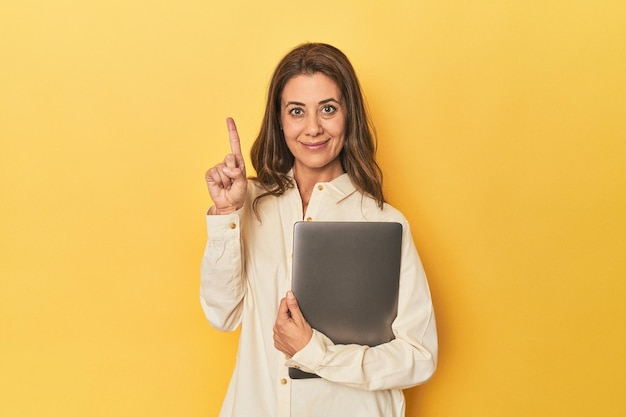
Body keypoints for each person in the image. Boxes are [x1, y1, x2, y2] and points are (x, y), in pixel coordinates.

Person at [200, 42, 437, 417]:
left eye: (328, 109)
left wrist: (315, 353)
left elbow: (418, 357)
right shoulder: (249, 204)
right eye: (297, 111)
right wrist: (226, 212)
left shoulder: (383, 222)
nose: (313, 128)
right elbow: (221, 315)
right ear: (280, 120)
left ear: (349, 116)